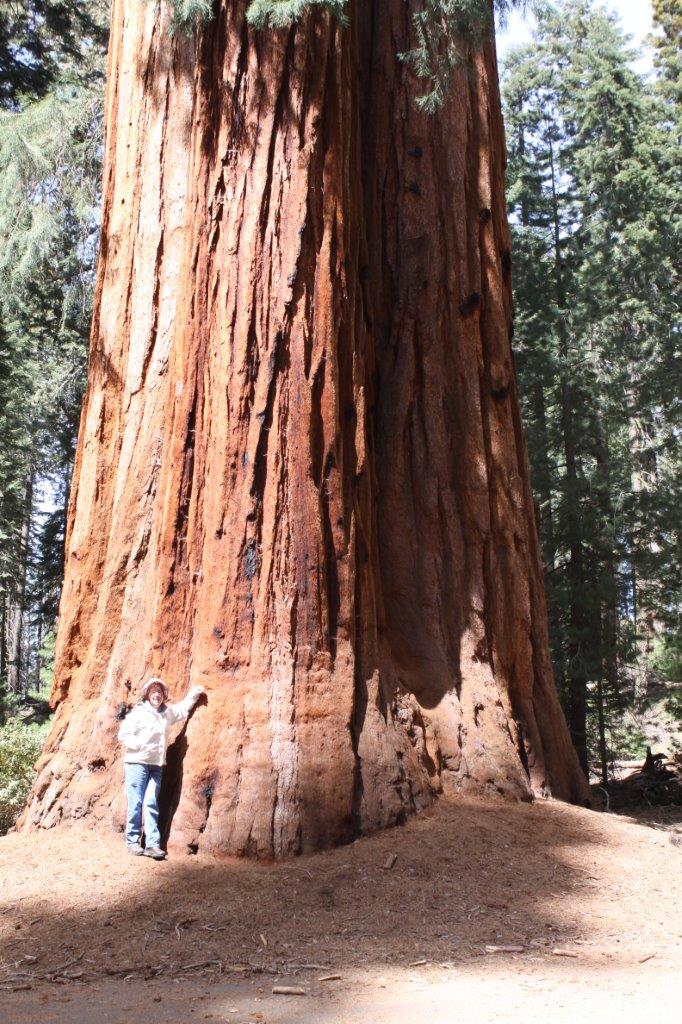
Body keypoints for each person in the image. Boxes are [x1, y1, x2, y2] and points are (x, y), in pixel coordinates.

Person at [117, 676, 205, 859]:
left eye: (159, 692)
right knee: (136, 803)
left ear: (164, 695)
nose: (156, 695)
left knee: (150, 802)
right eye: (153, 691)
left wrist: (194, 694)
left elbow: (182, 709)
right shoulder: (139, 713)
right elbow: (123, 735)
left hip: (156, 766)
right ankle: (132, 841)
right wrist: (139, 744)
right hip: (136, 763)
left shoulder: (166, 713)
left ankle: (152, 844)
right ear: (147, 694)